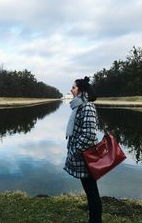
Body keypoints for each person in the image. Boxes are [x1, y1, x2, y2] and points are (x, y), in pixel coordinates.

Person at [63, 76, 102, 223]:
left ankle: (95, 220)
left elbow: (89, 134)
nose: (71, 90)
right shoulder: (80, 105)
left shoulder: (87, 107)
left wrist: (75, 151)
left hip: (86, 158)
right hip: (82, 157)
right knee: (90, 191)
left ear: (81, 90)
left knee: (92, 192)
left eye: (73, 87)